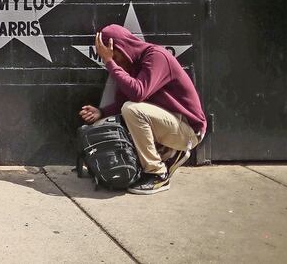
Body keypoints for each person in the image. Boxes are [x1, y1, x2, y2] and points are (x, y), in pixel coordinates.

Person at [79, 24, 207, 195]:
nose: (113, 61)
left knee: (132, 110)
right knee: (122, 114)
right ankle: (168, 152)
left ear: (122, 47)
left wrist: (110, 62)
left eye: (114, 56)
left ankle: (158, 174)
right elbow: (123, 103)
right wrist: (101, 112)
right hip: (171, 125)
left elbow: (138, 93)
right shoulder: (131, 67)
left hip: (189, 130)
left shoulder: (156, 56)